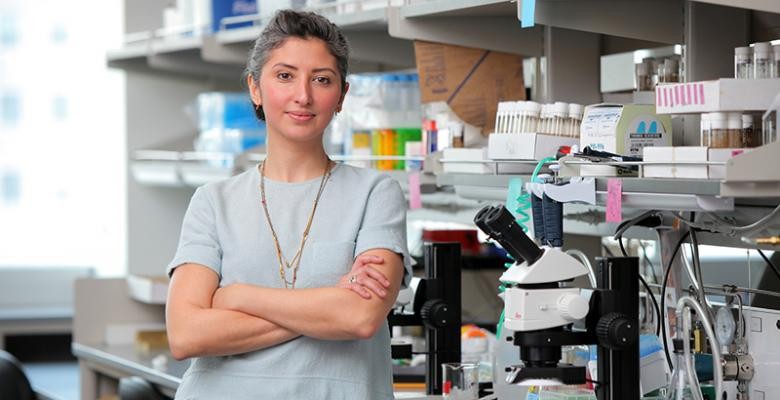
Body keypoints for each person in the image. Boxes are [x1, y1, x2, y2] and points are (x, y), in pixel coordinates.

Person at [165, 9, 413, 400]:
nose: (303, 95)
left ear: (342, 96)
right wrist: (328, 306)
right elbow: (185, 334)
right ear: (255, 88)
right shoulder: (213, 202)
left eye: (322, 79)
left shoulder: (376, 193)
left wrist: (236, 296)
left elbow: (360, 317)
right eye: (284, 75)